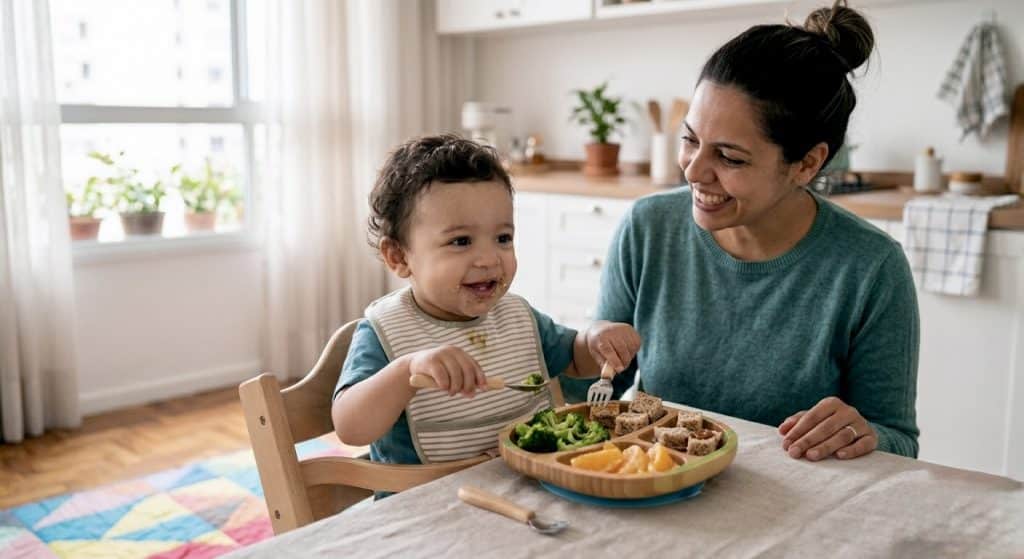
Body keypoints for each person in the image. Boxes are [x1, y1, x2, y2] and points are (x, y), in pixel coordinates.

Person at [594, 0, 919, 461]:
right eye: (690, 139)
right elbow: (598, 387)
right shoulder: (648, 227)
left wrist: (864, 435)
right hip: (659, 490)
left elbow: (900, 442)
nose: (693, 171)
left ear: (807, 163)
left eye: (730, 157)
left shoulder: (871, 267)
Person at [331, 135, 640, 467]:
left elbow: (577, 361)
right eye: (461, 241)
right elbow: (350, 427)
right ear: (398, 257)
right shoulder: (384, 332)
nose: (489, 258)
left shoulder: (517, 318)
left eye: (503, 238)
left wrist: (597, 340)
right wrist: (407, 370)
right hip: (426, 505)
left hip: (523, 490)